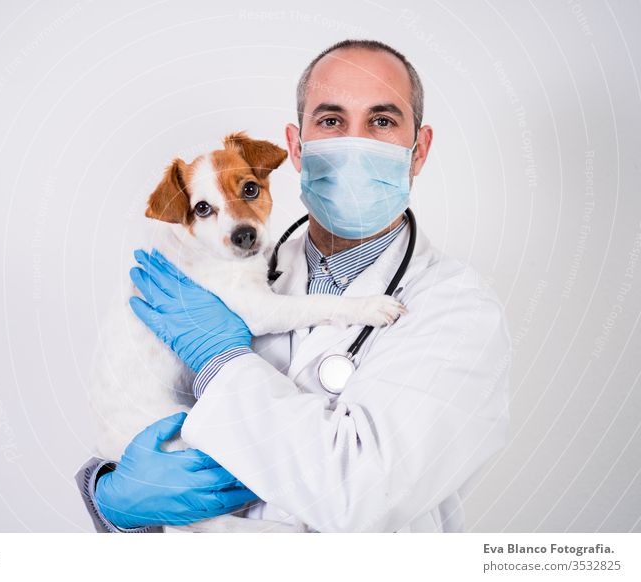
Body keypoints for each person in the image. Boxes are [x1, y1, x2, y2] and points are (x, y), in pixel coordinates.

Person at [75, 39, 511, 533]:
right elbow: (137, 426)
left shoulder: (458, 311)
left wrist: (220, 360)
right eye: (330, 121)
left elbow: (363, 497)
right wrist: (110, 498)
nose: (355, 143)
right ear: (297, 147)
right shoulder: (221, 275)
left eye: (382, 121)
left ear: (420, 149)